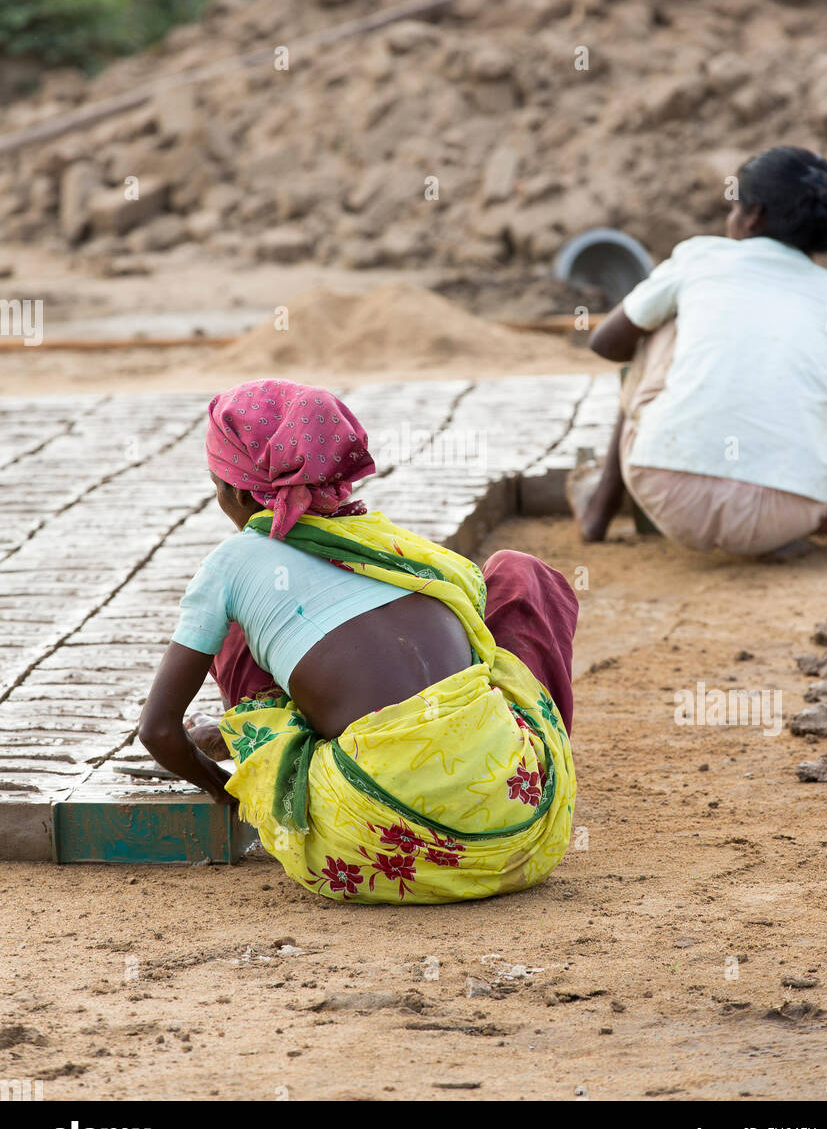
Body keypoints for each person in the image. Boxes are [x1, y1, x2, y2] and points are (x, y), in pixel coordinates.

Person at [139, 379, 578, 904]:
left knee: (236, 629)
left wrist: (229, 794)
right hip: (522, 826)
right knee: (517, 573)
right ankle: (514, 743)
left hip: (376, 846)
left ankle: (252, 742)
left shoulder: (231, 564)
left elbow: (158, 731)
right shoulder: (385, 546)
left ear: (235, 492)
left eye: (216, 487)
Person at [570, 147, 827, 557]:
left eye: (734, 207)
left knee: (661, 318)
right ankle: (820, 512)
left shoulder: (700, 257)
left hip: (667, 489)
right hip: (789, 510)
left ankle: (598, 509)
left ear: (753, 215)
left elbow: (605, 343)